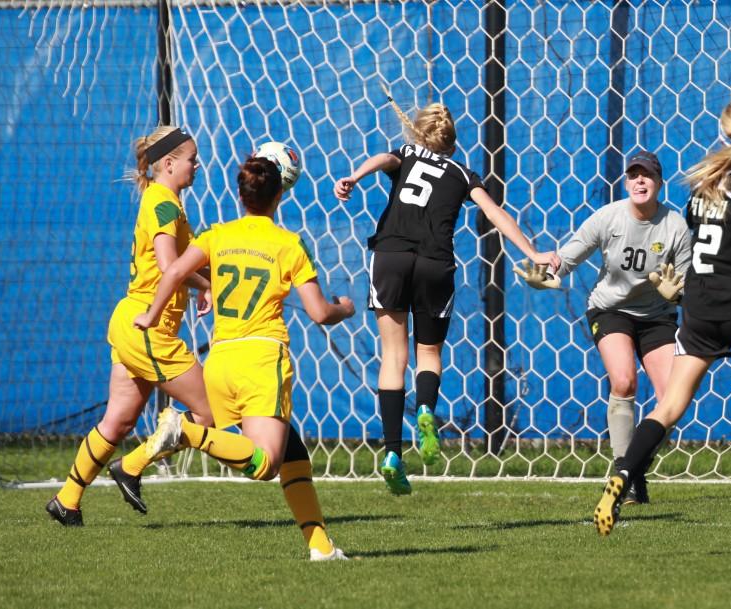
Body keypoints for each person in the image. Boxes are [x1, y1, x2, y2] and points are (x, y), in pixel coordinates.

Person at [333, 96, 560, 495]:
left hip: (391, 256)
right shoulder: (462, 173)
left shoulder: (405, 153)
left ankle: (392, 454)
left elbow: (382, 160)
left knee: (393, 356)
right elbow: (495, 214)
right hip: (435, 263)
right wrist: (533, 252)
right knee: (429, 353)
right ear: (451, 145)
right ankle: (425, 408)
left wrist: (355, 176)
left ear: (417, 135)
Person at [593, 101, 731, 536]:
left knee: (668, 406)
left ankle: (623, 475)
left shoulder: (703, 187)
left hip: (700, 311)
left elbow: (701, 232)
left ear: (724, 136)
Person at [135, 155, 355, 561]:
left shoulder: (218, 235)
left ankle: (321, 547)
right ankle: (185, 432)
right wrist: (344, 307)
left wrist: (150, 313)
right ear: (281, 194)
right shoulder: (289, 244)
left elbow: (174, 271)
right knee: (265, 464)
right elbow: (320, 313)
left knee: (291, 453)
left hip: (220, 360)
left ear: (241, 194)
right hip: (260, 360)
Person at [46, 126, 216, 526]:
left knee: (119, 420)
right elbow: (168, 265)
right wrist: (206, 284)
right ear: (169, 163)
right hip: (147, 328)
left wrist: (200, 281)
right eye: (192, 158)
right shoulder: (164, 204)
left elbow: (172, 266)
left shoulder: (163, 199)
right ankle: (132, 466)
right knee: (210, 411)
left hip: (131, 322)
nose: (197, 164)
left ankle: (67, 500)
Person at [514, 150, 690, 505]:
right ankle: (624, 478)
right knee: (623, 381)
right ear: (626, 183)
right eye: (633, 175)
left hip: (657, 316)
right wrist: (545, 276)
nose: (639, 181)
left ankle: (634, 467)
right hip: (611, 310)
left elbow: (687, 286)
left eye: (647, 175)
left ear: (659, 183)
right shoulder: (608, 217)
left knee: (672, 398)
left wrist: (680, 292)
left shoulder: (676, 226)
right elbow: (566, 260)